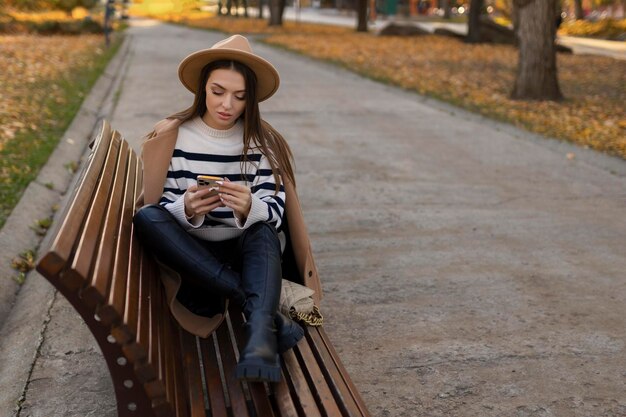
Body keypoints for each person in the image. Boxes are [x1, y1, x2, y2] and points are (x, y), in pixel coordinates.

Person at [132, 35, 321, 383]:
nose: (227, 105)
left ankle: (259, 341)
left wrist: (251, 206)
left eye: (239, 96)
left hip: (246, 256)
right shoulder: (173, 137)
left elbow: (277, 218)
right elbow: (156, 207)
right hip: (194, 262)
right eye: (218, 91)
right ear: (202, 87)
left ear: (251, 99)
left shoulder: (263, 143)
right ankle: (260, 310)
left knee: (262, 228)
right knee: (146, 217)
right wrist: (186, 207)